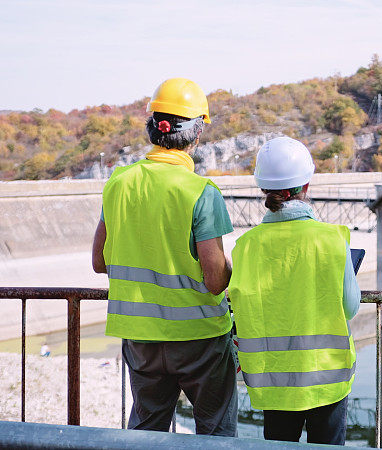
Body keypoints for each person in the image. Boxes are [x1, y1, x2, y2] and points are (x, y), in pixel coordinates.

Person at [91, 78, 237, 436]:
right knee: (215, 434)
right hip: (200, 338)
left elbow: (99, 261)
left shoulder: (119, 182)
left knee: (146, 433)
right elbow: (215, 279)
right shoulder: (202, 191)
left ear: (152, 127)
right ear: (197, 133)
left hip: (140, 338)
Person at [228, 136, 360, 445]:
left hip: (273, 382)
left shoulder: (245, 247)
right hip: (327, 377)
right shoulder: (331, 240)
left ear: (263, 189)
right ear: (307, 185)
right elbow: (350, 308)